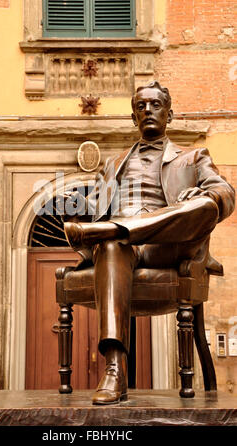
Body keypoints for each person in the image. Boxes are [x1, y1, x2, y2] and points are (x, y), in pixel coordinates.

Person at [59, 81, 235, 405]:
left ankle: (115, 230)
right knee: (111, 245)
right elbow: (95, 204)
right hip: (124, 250)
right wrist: (79, 204)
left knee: (205, 206)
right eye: (141, 106)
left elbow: (226, 195)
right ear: (133, 117)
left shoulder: (194, 157)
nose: (148, 111)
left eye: (155, 105)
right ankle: (114, 369)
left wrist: (203, 194)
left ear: (170, 113)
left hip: (168, 245)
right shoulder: (113, 164)